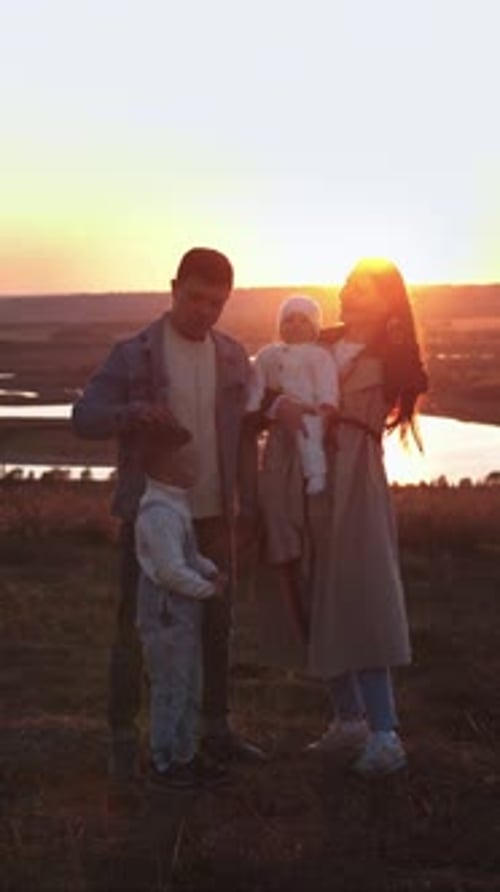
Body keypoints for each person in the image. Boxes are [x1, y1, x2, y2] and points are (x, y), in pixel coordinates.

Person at [72, 247, 264, 779]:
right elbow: (84, 417)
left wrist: (249, 507)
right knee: (136, 627)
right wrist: (133, 413)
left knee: (216, 625)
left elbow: (246, 437)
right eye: (196, 298)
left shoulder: (232, 356)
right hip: (153, 516)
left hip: (215, 518)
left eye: (217, 303)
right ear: (174, 288)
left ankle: (214, 733)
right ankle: (121, 738)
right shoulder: (133, 354)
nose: (205, 311)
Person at [276, 258, 427, 776]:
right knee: (314, 589)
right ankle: (347, 720)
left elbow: (411, 374)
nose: (346, 291)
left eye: (361, 286)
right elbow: (273, 384)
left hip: (356, 478)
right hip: (309, 475)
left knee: (364, 592)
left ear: (386, 298)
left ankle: (385, 734)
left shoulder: (390, 357)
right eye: (345, 283)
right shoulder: (315, 345)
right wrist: (281, 409)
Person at [135, 434, 229, 790]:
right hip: (166, 619)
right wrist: (209, 589)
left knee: (189, 685)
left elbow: (185, 557)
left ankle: (185, 755)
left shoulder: (173, 506)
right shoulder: (159, 513)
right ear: (168, 466)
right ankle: (163, 762)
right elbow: (170, 571)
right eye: (189, 460)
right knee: (171, 688)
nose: (197, 467)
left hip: (181, 618)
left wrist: (207, 568)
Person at [247, 295, 338, 642]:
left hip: (313, 418)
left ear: (315, 327)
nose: (294, 326)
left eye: (303, 320)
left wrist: (328, 405)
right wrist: (261, 406)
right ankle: (284, 556)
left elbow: (328, 384)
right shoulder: (268, 355)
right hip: (279, 437)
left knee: (311, 448)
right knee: (277, 488)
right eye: (288, 320)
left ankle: (315, 476)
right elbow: (257, 387)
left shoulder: (320, 356)